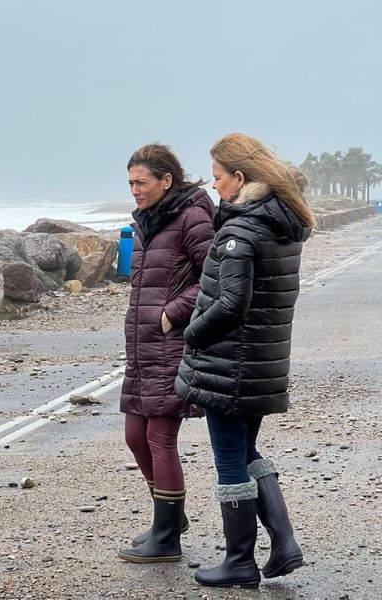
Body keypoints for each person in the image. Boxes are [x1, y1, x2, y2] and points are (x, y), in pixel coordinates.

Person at [175, 133, 314, 588]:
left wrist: (191, 334)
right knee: (246, 451)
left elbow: (231, 302)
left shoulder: (239, 230)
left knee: (230, 461)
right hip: (260, 364)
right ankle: (284, 542)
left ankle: (239, 562)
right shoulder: (281, 221)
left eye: (217, 178)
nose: (213, 186)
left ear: (240, 177)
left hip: (229, 367)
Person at [117, 144, 214, 563]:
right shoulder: (147, 221)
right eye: (130, 184)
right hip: (143, 346)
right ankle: (170, 518)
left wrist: (171, 314)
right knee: (134, 436)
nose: (134, 191)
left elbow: (217, 275)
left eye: (141, 183)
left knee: (159, 437)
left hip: (171, 344)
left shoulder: (191, 216)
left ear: (166, 180)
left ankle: (168, 538)